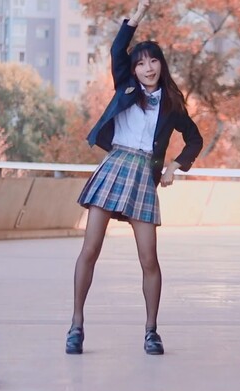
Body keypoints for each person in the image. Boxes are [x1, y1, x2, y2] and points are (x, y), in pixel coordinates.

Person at [66, 0, 203, 355]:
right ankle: (76, 325)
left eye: (153, 61)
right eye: (140, 63)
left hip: (144, 174)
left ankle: (151, 331)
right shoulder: (126, 86)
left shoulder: (172, 103)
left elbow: (195, 138)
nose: (147, 68)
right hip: (115, 166)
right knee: (90, 249)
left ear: (162, 64)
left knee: (148, 259)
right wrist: (137, 16)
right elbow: (117, 50)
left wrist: (174, 166)